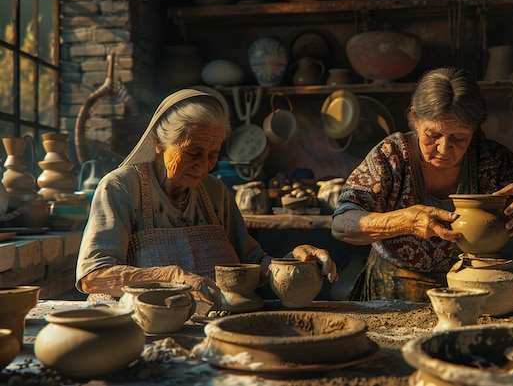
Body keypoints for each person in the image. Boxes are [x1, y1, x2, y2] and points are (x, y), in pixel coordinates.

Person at [76, 88, 338, 309]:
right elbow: (93, 277)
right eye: (193, 152)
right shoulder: (121, 187)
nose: (204, 165)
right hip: (144, 329)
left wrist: (292, 260)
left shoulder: (215, 192)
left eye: (213, 153)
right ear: (158, 142)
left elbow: (251, 265)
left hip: (215, 324)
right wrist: (170, 276)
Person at [331, 67, 513, 302]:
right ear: (415, 118)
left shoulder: (493, 159)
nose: (444, 149)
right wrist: (405, 222)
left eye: (459, 137)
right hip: (392, 290)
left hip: (472, 289)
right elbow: (342, 223)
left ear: (474, 129)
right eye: (433, 135)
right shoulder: (392, 155)